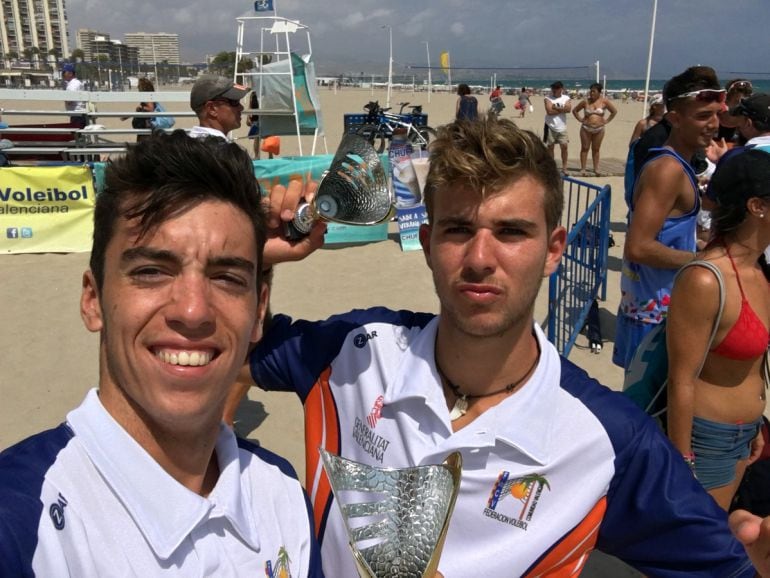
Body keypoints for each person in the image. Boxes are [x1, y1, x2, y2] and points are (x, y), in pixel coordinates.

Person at [241, 116, 759, 577]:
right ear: (427, 244)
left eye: (511, 232)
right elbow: (233, 356)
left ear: (554, 250)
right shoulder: (356, 351)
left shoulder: (608, 441)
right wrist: (259, 259)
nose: (480, 258)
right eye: (458, 229)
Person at [0, 132, 322, 577]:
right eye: (151, 271)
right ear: (93, 300)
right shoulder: (20, 524)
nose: (193, 310)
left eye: (227, 278)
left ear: (258, 311)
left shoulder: (282, 493)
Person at [667, 148, 770, 511]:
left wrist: (757, 427)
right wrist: (680, 465)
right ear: (757, 206)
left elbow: (751, 365)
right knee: (697, 549)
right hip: (708, 438)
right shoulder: (706, 280)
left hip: (745, 432)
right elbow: (682, 379)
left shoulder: (759, 270)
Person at [614, 66, 724, 370]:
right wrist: (701, 260)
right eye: (702, 116)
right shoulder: (667, 170)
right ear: (674, 118)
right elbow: (638, 247)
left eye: (716, 114)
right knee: (647, 413)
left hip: (657, 307)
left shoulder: (679, 165)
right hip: (653, 315)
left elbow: (665, 231)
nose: (713, 125)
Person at [572, 82, 617, 176]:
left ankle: (596, 168)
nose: (591, 93)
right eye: (591, 91)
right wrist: (580, 119)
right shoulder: (585, 102)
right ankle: (583, 168)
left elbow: (614, 111)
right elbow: (575, 110)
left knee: (596, 149)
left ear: (599, 92)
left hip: (599, 129)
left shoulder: (604, 102)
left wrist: (607, 121)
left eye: (594, 91)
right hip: (586, 128)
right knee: (585, 148)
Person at [189, 75, 250, 140]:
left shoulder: (188, 145)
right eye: (234, 102)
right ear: (212, 109)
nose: (241, 108)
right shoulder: (219, 148)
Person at [544, 80, 571, 174]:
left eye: (556, 88)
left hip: (562, 126)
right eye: (553, 88)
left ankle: (564, 167)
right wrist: (563, 110)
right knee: (550, 147)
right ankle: (552, 166)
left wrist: (556, 108)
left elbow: (569, 109)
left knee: (564, 146)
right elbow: (549, 112)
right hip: (550, 126)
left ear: (561, 89)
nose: (554, 90)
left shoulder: (566, 98)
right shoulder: (548, 98)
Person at [717, 79, 754, 145]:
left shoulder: (744, 107)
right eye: (740, 90)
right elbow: (727, 122)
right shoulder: (720, 106)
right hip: (720, 141)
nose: (743, 93)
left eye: (745, 91)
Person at [61, 63, 87, 128]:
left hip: (77, 114)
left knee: (77, 135)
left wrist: (65, 99)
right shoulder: (76, 83)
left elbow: (69, 100)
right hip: (79, 113)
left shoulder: (73, 85)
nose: (63, 74)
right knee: (80, 135)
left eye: (64, 72)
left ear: (70, 73)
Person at [246, 90, 261, 158]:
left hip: (262, 115)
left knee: (267, 135)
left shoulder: (262, 92)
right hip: (255, 117)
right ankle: (257, 156)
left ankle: (270, 155)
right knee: (256, 137)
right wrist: (248, 116)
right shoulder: (252, 94)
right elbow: (249, 106)